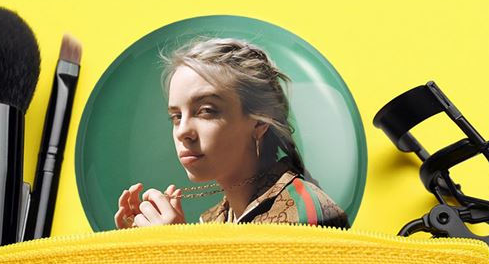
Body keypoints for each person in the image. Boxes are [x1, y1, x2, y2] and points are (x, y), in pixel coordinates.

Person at [114, 38, 348, 229]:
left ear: (259, 122)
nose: (183, 131)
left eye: (206, 111)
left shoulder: (305, 212)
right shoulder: (212, 220)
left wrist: (178, 251)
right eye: (176, 116)